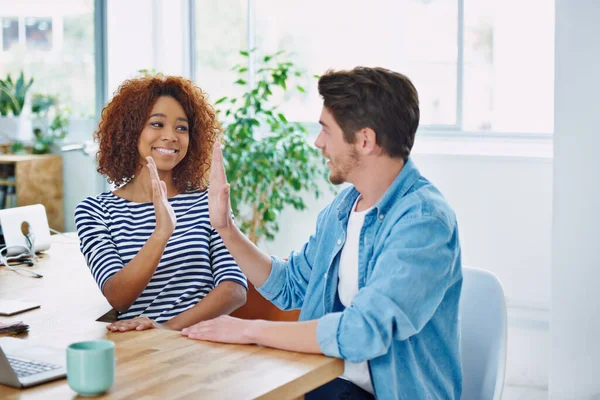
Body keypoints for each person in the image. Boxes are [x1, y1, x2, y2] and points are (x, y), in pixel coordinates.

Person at [181, 67, 463, 399]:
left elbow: (362, 332)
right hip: (328, 385)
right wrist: (226, 229)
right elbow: (289, 286)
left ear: (365, 140)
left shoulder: (424, 222)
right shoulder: (344, 208)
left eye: (326, 130)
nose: (318, 142)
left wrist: (248, 330)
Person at [74, 75, 247, 332]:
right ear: (130, 131)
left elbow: (234, 289)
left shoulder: (205, 200)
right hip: (141, 353)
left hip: (204, 343)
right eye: (157, 124)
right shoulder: (95, 211)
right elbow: (118, 297)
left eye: (181, 128)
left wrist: (165, 329)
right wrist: (161, 233)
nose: (171, 136)